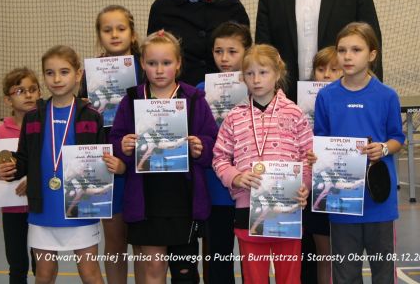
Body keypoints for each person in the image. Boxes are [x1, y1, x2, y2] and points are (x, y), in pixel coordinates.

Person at [0, 45, 123, 284]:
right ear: (44, 76)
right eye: (50, 73)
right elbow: (23, 160)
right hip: (43, 209)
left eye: (64, 72)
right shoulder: (33, 117)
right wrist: (3, 170)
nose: (57, 79)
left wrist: (114, 165)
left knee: (90, 273)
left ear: (78, 74)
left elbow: (101, 162)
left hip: (81, 207)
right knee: (44, 274)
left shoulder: (91, 116)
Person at [109, 30, 218, 284]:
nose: (159, 70)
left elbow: (213, 140)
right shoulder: (132, 99)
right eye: (152, 63)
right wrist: (123, 146)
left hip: (183, 199)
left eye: (166, 63)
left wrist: (201, 147)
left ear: (178, 64)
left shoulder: (194, 98)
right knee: (153, 268)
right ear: (142, 64)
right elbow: (115, 139)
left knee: (185, 272)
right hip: (147, 198)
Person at [313, 22, 404, 284]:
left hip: (379, 201)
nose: (347, 56)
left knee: (383, 274)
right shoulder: (326, 97)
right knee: (345, 275)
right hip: (342, 201)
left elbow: (397, 138)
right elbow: (321, 140)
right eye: (342, 50)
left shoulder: (387, 96)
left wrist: (383, 148)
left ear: (372, 54)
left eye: (356, 50)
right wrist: (315, 156)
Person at [213, 44, 312, 284]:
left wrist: (305, 186)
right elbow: (219, 157)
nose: (256, 80)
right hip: (247, 210)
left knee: (290, 278)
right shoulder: (234, 116)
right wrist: (236, 177)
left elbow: (309, 157)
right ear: (243, 77)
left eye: (263, 72)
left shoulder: (295, 113)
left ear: (277, 73)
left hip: (287, 209)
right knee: (254, 278)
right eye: (250, 73)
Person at [79, 4, 143, 284]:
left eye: (121, 28)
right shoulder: (90, 74)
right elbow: (83, 123)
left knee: (142, 242)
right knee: (115, 241)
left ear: (132, 33)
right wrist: (83, 107)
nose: (114, 35)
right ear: (99, 35)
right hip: (108, 163)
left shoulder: (147, 65)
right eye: (107, 30)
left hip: (142, 160)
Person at [197, 21, 252, 284]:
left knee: (254, 257)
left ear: (247, 51)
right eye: (219, 51)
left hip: (251, 185)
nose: (225, 58)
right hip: (216, 184)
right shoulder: (200, 90)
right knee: (219, 253)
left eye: (232, 51)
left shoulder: (259, 85)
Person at [0, 67, 41, 284]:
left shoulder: (46, 127)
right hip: (12, 211)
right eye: (20, 91)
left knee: (42, 264)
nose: (28, 94)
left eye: (33, 89)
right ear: (7, 100)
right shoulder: (0, 132)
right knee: (17, 264)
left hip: (41, 207)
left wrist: (33, 179)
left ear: (40, 93)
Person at [302, 46, 342, 284]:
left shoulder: (349, 103)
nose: (326, 75)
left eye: (334, 69)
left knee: (344, 256)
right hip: (315, 188)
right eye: (320, 69)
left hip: (342, 184)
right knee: (323, 255)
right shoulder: (299, 107)